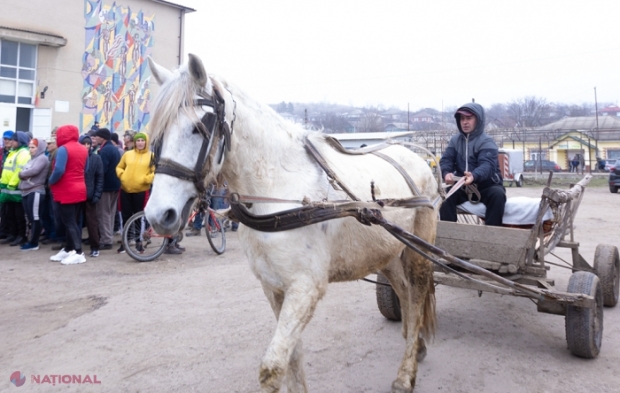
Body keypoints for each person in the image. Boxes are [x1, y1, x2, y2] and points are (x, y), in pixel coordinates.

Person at [439, 103, 506, 226]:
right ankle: (449, 235)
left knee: (498, 194)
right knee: (444, 195)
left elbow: (487, 166)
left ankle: (492, 236)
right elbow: (446, 160)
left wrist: (474, 176)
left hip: (486, 186)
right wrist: (446, 173)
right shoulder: (455, 140)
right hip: (462, 186)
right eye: (462, 119)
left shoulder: (487, 142)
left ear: (478, 120)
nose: (464, 122)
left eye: (469, 118)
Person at [49, 125, 88, 265]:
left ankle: (78, 252)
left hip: (66, 189)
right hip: (80, 188)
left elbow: (59, 169)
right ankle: (68, 249)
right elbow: (86, 168)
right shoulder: (83, 148)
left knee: (69, 222)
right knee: (73, 221)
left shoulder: (63, 149)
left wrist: (51, 181)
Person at [115, 131, 154, 253]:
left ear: (146, 142)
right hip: (125, 190)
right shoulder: (128, 154)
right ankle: (125, 242)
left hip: (141, 190)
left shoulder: (151, 156)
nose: (140, 143)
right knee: (125, 217)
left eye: (142, 140)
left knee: (138, 218)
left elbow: (154, 172)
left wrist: (145, 179)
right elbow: (119, 167)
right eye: (138, 140)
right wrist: (122, 176)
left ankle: (138, 242)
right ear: (134, 142)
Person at [18, 138, 50, 251]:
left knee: (36, 217)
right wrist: (22, 174)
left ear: (39, 148)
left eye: (33, 147)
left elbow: (34, 171)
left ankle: (34, 242)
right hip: (26, 191)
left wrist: (21, 174)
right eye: (30, 147)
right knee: (31, 217)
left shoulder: (42, 158)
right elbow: (25, 172)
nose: (30, 150)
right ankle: (32, 241)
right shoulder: (31, 159)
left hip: (36, 190)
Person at [0, 131, 31, 245]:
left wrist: (11, 184)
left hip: (15, 189)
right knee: (9, 213)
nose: (10, 142)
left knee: (19, 214)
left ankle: (21, 235)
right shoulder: (13, 152)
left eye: (13, 140)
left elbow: (19, 170)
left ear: (19, 141)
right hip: (8, 189)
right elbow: (7, 170)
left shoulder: (23, 153)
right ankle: (12, 234)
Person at [93, 128, 121, 250]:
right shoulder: (114, 149)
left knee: (103, 213)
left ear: (102, 137)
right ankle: (108, 237)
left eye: (97, 136)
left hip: (106, 186)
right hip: (115, 185)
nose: (95, 138)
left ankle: (106, 239)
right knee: (110, 212)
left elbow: (102, 170)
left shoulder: (104, 151)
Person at [79, 135, 104, 257]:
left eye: (88, 144)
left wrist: (96, 195)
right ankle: (74, 246)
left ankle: (95, 246)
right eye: (84, 144)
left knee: (92, 222)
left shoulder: (96, 158)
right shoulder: (76, 158)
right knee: (75, 222)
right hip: (77, 195)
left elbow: (100, 178)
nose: (87, 146)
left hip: (90, 195)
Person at [0, 130, 15, 240]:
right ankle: (3, 230)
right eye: (5, 139)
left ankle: (10, 232)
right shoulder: (1, 151)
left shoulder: (15, 152)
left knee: (9, 210)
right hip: (2, 183)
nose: (6, 141)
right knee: (3, 210)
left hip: (10, 185)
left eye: (9, 139)